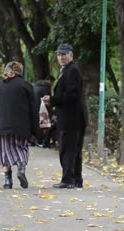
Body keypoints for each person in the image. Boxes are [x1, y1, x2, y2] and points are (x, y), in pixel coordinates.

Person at [0, 61, 40, 189]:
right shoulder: (27, 85)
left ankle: (8, 181)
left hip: (1, 125)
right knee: (22, 147)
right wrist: (36, 129)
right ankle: (21, 167)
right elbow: (34, 109)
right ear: (20, 72)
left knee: (4, 152)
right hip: (22, 126)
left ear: (7, 71)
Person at [42, 44, 88, 189]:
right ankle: (76, 179)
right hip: (73, 117)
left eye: (64, 54)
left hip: (72, 118)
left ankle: (68, 179)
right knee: (74, 149)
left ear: (71, 55)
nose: (61, 57)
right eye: (59, 55)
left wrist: (52, 99)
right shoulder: (67, 70)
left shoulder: (72, 70)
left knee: (68, 149)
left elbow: (71, 95)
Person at [33, 75, 56, 147]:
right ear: (49, 80)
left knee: (36, 124)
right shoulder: (46, 87)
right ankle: (42, 142)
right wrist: (51, 113)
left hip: (34, 107)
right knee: (43, 124)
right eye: (52, 82)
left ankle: (36, 140)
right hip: (41, 108)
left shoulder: (36, 85)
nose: (51, 84)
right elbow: (47, 101)